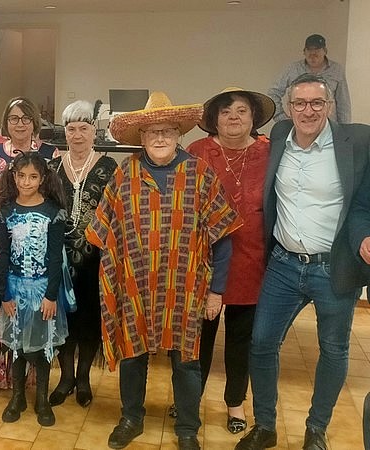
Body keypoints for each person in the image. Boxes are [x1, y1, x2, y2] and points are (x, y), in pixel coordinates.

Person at [86, 92, 241, 450]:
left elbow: (223, 237)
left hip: (185, 287)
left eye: (168, 131)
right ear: (141, 136)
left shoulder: (200, 174)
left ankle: (187, 427)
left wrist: (217, 291)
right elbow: (102, 233)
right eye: (152, 131)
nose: (160, 138)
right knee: (133, 354)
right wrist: (114, 283)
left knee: (186, 360)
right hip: (135, 285)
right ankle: (131, 417)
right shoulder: (125, 175)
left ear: (178, 134)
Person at [237, 73, 370, 450]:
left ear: (329, 106)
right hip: (283, 264)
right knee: (261, 343)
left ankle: (316, 429)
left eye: (316, 103)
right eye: (299, 103)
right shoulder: (279, 135)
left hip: (334, 267)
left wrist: (364, 236)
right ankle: (265, 426)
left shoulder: (358, 141)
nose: (308, 111)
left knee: (334, 350)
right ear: (288, 107)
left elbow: (363, 204)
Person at [181, 87, 275, 434]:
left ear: (253, 117)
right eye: (226, 111)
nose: (234, 117)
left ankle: (235, 403)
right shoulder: (197, 151)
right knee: (198, 340)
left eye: (241, 110)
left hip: (253, 261)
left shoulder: (270, 152)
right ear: (214, 119)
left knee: (240, 340)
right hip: (203, 261)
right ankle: (191, 400)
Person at [0, 96, 56, 395]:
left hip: (34, 250)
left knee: (29, 311)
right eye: (13, 118)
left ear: (35, 122)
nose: (20, 124)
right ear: (6, 123)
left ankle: (26, 379)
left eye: (25, 118)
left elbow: (54, 202)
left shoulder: (49, 154)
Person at [46, 100, 117, 408]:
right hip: (59, 260)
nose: (77, 135)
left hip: (96, 260)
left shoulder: (109, 167)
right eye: (71, 129)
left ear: (94, 131)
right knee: (63, 319)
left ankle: (84, 378)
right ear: (65, 132)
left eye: (83, 128)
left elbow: (117, 212)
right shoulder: (51, 168)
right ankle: (66, 378)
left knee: (89, 321)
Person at [0, 151, 69, 427]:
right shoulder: (5, 212)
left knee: (42, 347)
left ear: (42, 179)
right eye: (22, 176)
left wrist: (51, 295)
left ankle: (42, 400)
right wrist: (4, 293)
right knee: (17, 346)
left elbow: (56, 258)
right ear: (14, 177)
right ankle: (18, 397)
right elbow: (2, 255)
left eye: (33, 177)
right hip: (15, 290)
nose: (26, 182)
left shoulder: (53, 213)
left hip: (42, 291)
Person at [268, 34, 351, 124]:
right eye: (309, 50)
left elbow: (343, 104)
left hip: (328, 125)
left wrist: (344, 128)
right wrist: (281, 118)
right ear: (304, 52)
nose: (313, 54)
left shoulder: (337, 70)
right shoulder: (293, 69)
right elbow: (273, 93)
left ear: (325, 51)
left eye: (317, 50)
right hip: (300, 125)